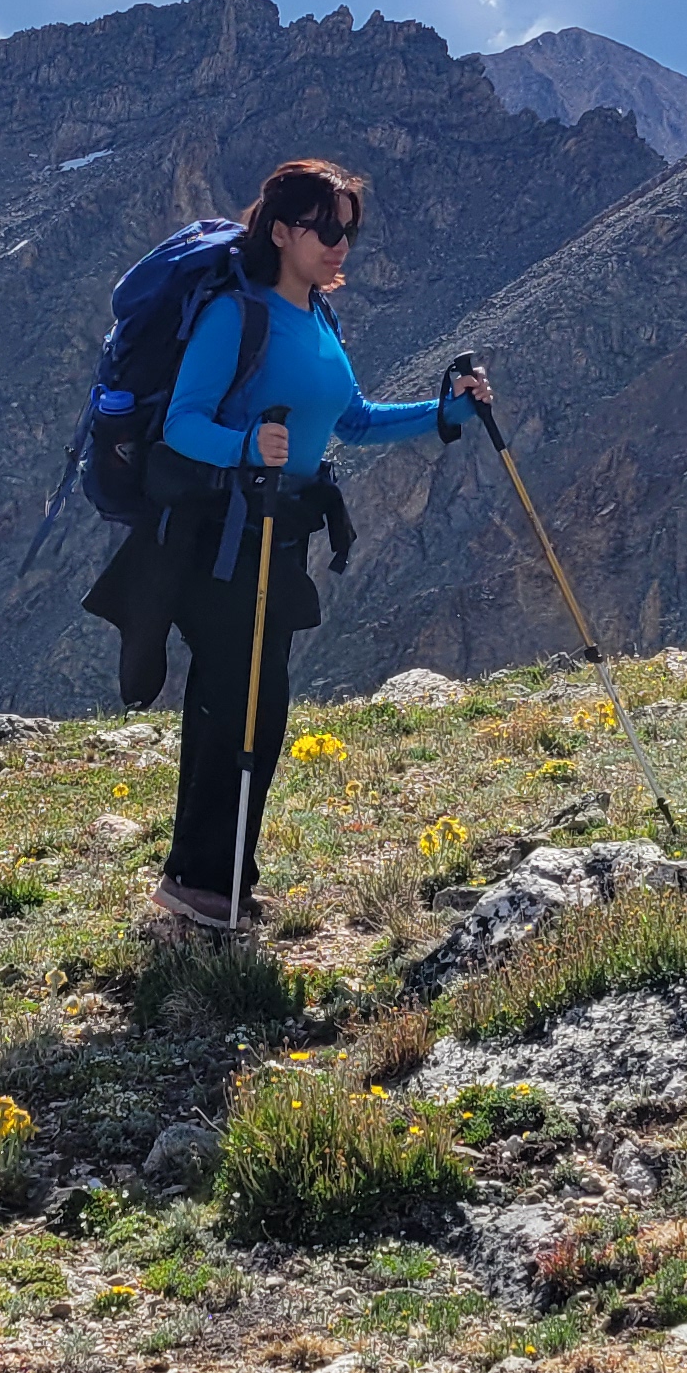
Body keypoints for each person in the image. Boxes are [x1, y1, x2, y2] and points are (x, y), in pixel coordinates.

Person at [113, 160, 489, 933]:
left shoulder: (320, 319)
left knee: (263, 709)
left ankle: (224, 880)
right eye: (325, 227)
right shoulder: (235, 315)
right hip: (224, 541)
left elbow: (352, 419)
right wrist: (250, 444)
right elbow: (183, 423)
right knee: (231, 708)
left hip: (282, 536)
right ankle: (196, 883)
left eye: (348, 228)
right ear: (281, 230)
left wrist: (446, 412)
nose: (340, 243)